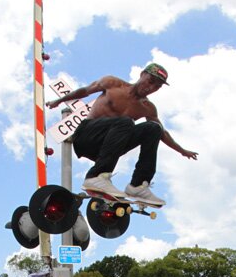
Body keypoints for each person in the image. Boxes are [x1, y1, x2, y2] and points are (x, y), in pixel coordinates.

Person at [46, 63, 197, 205]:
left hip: (109, 147)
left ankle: (138, 185)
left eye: (156, 87)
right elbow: (85, 91)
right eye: (150, 81)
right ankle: (96, 176)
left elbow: (162, 133)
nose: (150, 88)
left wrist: (182, 151)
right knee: (126, 121)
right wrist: (59, 101)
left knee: (153, 128)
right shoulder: (112, 83)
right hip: (87, 136)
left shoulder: (147, 107)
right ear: (142, 74)